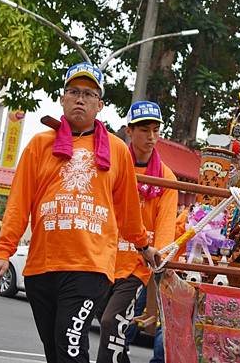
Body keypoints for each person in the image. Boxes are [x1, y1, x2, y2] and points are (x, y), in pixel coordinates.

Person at [0, 62, 158, 363]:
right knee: (55, 351)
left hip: (89, 268)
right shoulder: (39, 145)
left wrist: (144, 245)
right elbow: (19, 203)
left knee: (70, 347)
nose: (81, 99)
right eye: (74, 92)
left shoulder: (117, 150)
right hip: (42, 268)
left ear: (100, 104)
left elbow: (128, 210)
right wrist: (4, 252)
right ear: (63, 99)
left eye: (89, 93)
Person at [96, 101, 178, 363]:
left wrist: (160, 260)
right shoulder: (112, 165)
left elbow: (166, 224)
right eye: (144, 130)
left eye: (156, 130)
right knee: (114, 330)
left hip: (137, 266)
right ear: (129, 131)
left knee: (112, 323)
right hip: (104, 260)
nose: (151, 137)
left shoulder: (166, 177)